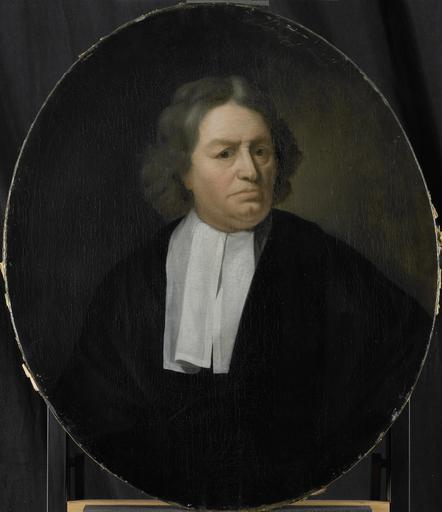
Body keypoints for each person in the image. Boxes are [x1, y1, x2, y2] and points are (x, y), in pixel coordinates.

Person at [53, 76, 431, 509]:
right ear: (184, 170)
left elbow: (405, 351)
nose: (250, 171)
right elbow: (87, 406)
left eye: (261, 151)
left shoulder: (317, 256)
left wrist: (327, 458)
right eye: (225, 153)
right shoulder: (136, 281)